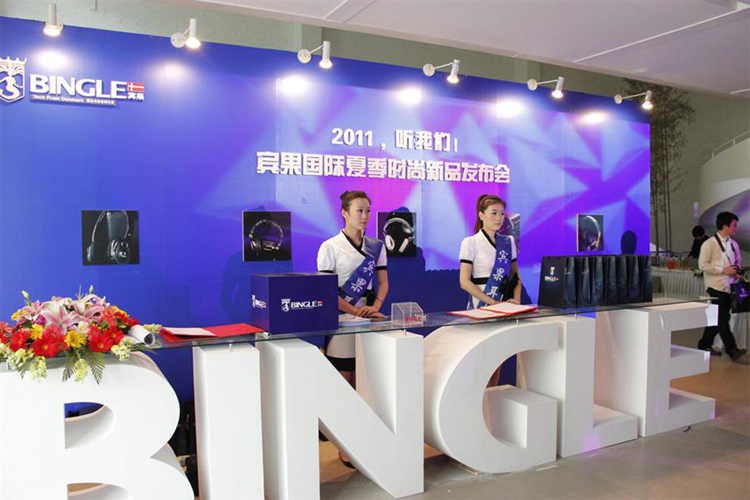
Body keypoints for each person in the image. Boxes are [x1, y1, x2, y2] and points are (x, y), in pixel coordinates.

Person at [697, 211, 747, 361]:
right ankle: (732, 350)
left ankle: (704, 344)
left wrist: (738, 273)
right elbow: (702, 265)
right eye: (734, 225)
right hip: (715, 286)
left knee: (718, 317)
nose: (736, 228)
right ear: (725, 226)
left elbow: (737, 263)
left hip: (730, 286)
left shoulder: (734, 244)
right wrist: (723, 270)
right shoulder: (709, 244)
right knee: (723, 318)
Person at [459, 194, 521, 309]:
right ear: (481, 215)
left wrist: (516, 299)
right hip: (481, 303)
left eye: (502, 213)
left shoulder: (509, 241)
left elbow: (515, 276)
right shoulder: (470, 242)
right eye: (494, 213)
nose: (499, 218)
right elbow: (464, 282)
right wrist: (492, 302)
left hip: (505, 302)